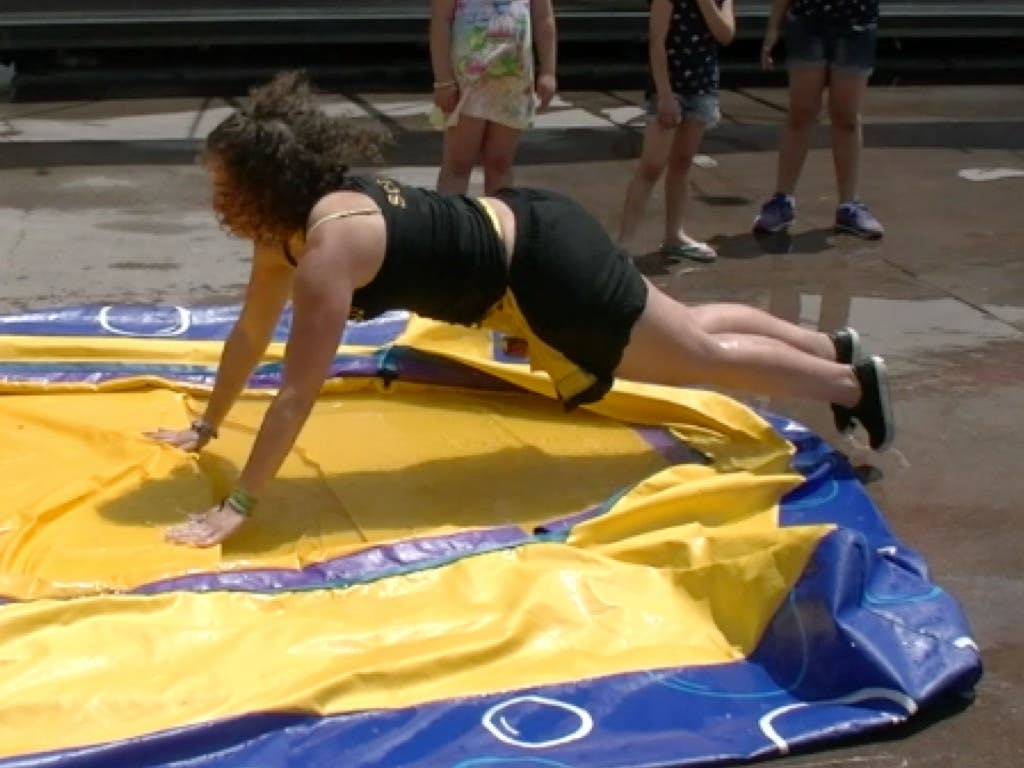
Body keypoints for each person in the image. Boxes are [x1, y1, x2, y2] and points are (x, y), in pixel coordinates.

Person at [146, 72, 893, 549]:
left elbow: (297, 390)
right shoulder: (290, 232)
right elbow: (250, 333)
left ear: (254, 184)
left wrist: (241, 503)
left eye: (218, 181)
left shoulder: (326, 254)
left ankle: (852, 386)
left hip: (543, 275)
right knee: (686, 326)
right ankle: (828, 345)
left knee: (697, 360)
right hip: (532, 225)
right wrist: (207, 425)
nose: (213, 195)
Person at [753, 0, 884, 239]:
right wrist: (773, 28)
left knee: (846, 117)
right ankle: (782, 200)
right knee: (801, 112)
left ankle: (848, 204)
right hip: (808, 20)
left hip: (858, 22)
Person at [618, 0, 735, 263]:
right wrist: (665, 96)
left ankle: (674, 235)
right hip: (672, 88)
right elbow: (656, 42)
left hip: (702, 87)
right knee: (651, 166)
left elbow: (725, 35)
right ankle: (624, 244)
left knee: (681, 164)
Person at [429, 0, 557, 195]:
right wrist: (443, 79)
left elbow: (543, 18)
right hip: (467, 87)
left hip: (513, 87)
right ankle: (450, 222)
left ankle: (498, 222)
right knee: (458, 164)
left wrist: (548, 71)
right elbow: (440, 21)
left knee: (500, 164)